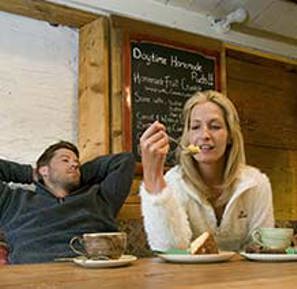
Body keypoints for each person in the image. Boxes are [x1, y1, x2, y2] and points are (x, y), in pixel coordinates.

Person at [139, 90, 274, 252]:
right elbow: (171, 248)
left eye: (215, 126)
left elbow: (263, 247)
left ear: (230, 136)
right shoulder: (174, 182)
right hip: (188, 275)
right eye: (195, 127)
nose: (204, 135)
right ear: (187, 136)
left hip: (246, 276)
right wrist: (153, 179)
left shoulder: (256, 184)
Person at [0, 141, 135, 264]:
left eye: (77, 162)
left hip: (93, 273)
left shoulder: (99, 198)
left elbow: (124, 160)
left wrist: (76, 174)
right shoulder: (13, 201)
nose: (75, 164)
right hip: (33, 276)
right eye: (65, 160)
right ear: (44, 170)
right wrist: (30, 174)